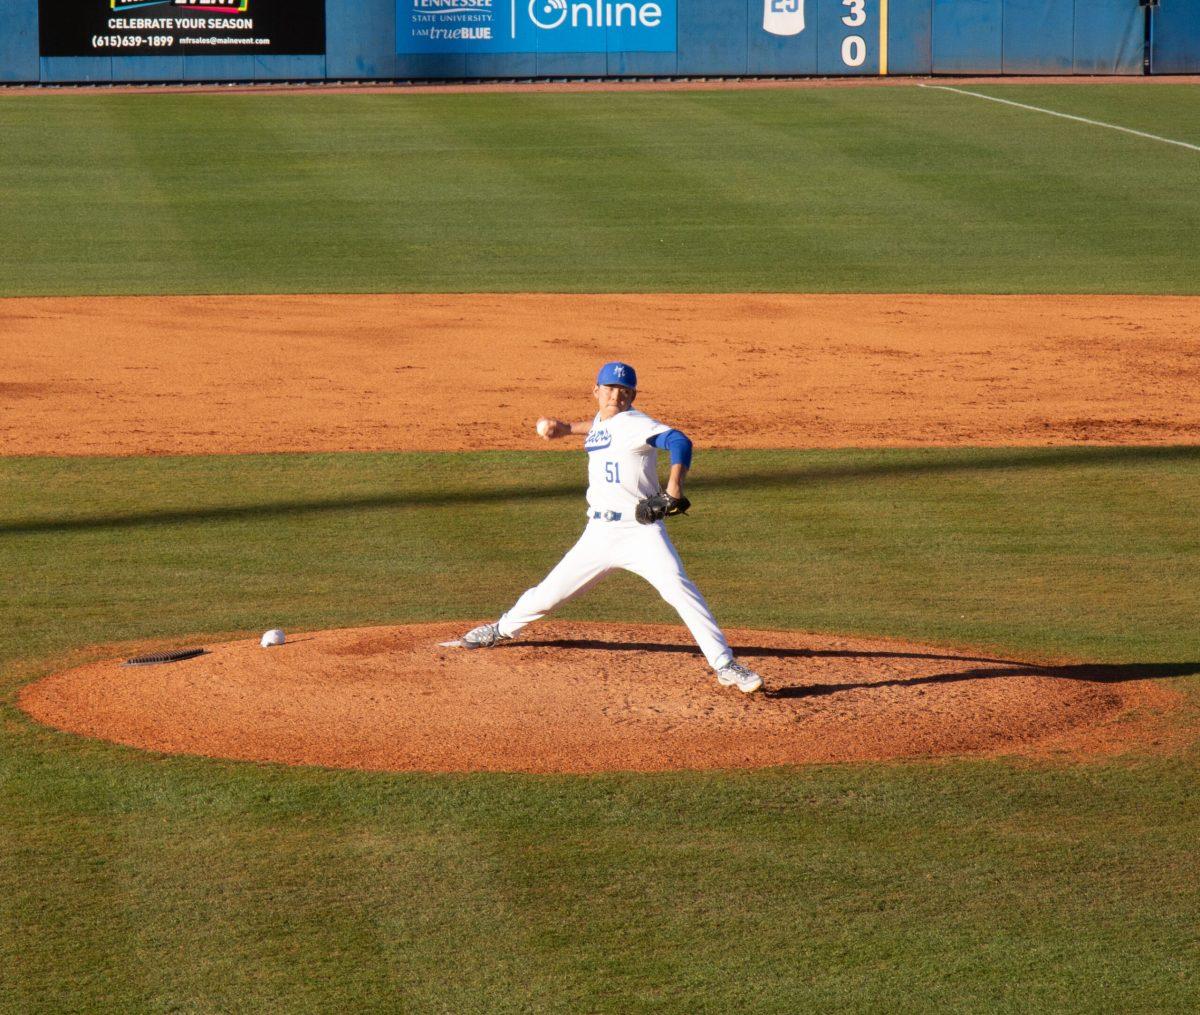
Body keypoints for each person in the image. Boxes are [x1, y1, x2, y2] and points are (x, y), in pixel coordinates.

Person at [458, 361, 763, 694]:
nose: (615, 394)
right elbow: (600, 427)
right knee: (548, 595)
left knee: (679, 589)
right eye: (609, 388)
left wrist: (674, 487)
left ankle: (724, 664)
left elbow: (680, 441)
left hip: (640, 533)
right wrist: (564, 428)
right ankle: (501, 629)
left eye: (623, 390)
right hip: (599, 535)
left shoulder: (636, 423)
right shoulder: (604, 423)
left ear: (631, 396)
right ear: (596, 391)